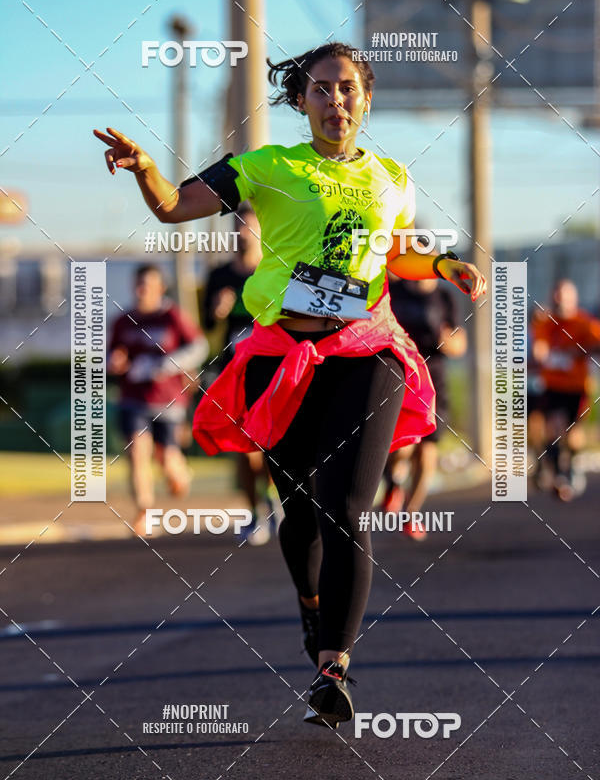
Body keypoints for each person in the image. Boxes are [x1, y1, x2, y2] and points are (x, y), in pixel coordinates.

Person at [94, 41, 486, 729]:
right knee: (300, 507)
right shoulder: (267, 166)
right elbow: (174, 207)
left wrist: (446, 264)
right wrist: (146, 170)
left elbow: (395, 248)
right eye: (322, 89)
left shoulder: (392, 176)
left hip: (367, 349)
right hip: (281, 355)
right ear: (301, 99)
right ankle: (312, 612)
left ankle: (334, 667)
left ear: (365, 98)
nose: (336, 101)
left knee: (345, 507)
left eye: (348, 89)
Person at [108, 264, 208, 534]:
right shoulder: (122, 320)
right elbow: (111, 357)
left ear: (160, 288)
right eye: (139, 285)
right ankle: (144, 513)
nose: (143, 291)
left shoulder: (173, 317)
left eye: (149, 286)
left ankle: (179, 474)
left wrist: (168, 365)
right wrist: (114, 362)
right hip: (133, 399)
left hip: (169, 401)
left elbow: (199, 347)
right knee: (137, 452)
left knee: (167, 460)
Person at [203, 206, 279, 545]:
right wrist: (218, 311)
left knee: (273, 448)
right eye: (238, 228)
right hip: (235, 373)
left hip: (273, 368)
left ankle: (273, 499)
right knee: (244, 447)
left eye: (249, 228)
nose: (243, 234)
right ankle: (254, 512)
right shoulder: (220, 276)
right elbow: (206, 324)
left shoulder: (274, 271)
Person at [382, 274, 467, 539]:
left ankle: (411, 512)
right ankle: (393, 481)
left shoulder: (444, 296)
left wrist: (448, 341)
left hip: (433, 381)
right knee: (401, 446)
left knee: (428, 452)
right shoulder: (393, 290)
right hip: (399, 375)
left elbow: (459, 342)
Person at [530, 278, 600, 500]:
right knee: (552, 428)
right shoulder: (546, 323)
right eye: (557, 294)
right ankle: (560, 474)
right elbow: (539, 348)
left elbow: (596, 345)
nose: (560, 299)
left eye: (565, 294)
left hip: (577, 387)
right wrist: (545, 355)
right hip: (552, 385)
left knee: (573, 435)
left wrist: (576, 352)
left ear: (574, 298)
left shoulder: (585, 323)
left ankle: (572, 464)